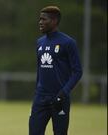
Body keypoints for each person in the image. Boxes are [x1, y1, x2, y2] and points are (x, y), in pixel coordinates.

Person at [29, 6, 82, 135]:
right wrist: (37, 92)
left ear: (54, 21)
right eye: (39, 19)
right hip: (40, 99)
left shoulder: (68, 43)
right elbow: (39, 70)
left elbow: (77, 71)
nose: (40, 22)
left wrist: (63, 93)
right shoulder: (39, 42)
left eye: (43, 19)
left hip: (60, 99)